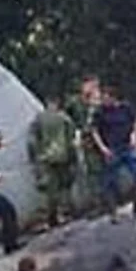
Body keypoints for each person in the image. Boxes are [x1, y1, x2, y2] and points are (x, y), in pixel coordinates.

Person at [91, 86, 136, 219]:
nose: (104, 101)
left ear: (113, 98)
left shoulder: (126, 108)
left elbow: (135, 121)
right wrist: (103, 148)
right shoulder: (100, 112)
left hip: (126, 146)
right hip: (112, 148)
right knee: (109, 181)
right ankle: (113, 210)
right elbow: (95, 130)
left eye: (106, 98)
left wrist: (135, 137)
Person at [27, 96, 77, 226]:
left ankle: (50, 217)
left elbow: (32, 141)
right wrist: (73, 157)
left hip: (45, 157)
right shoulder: (64, 118)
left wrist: (35, 157)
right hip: (62, 156)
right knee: (64, 186)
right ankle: (65, 213)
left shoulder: (39, 119)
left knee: (49, 189)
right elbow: (71, 139)